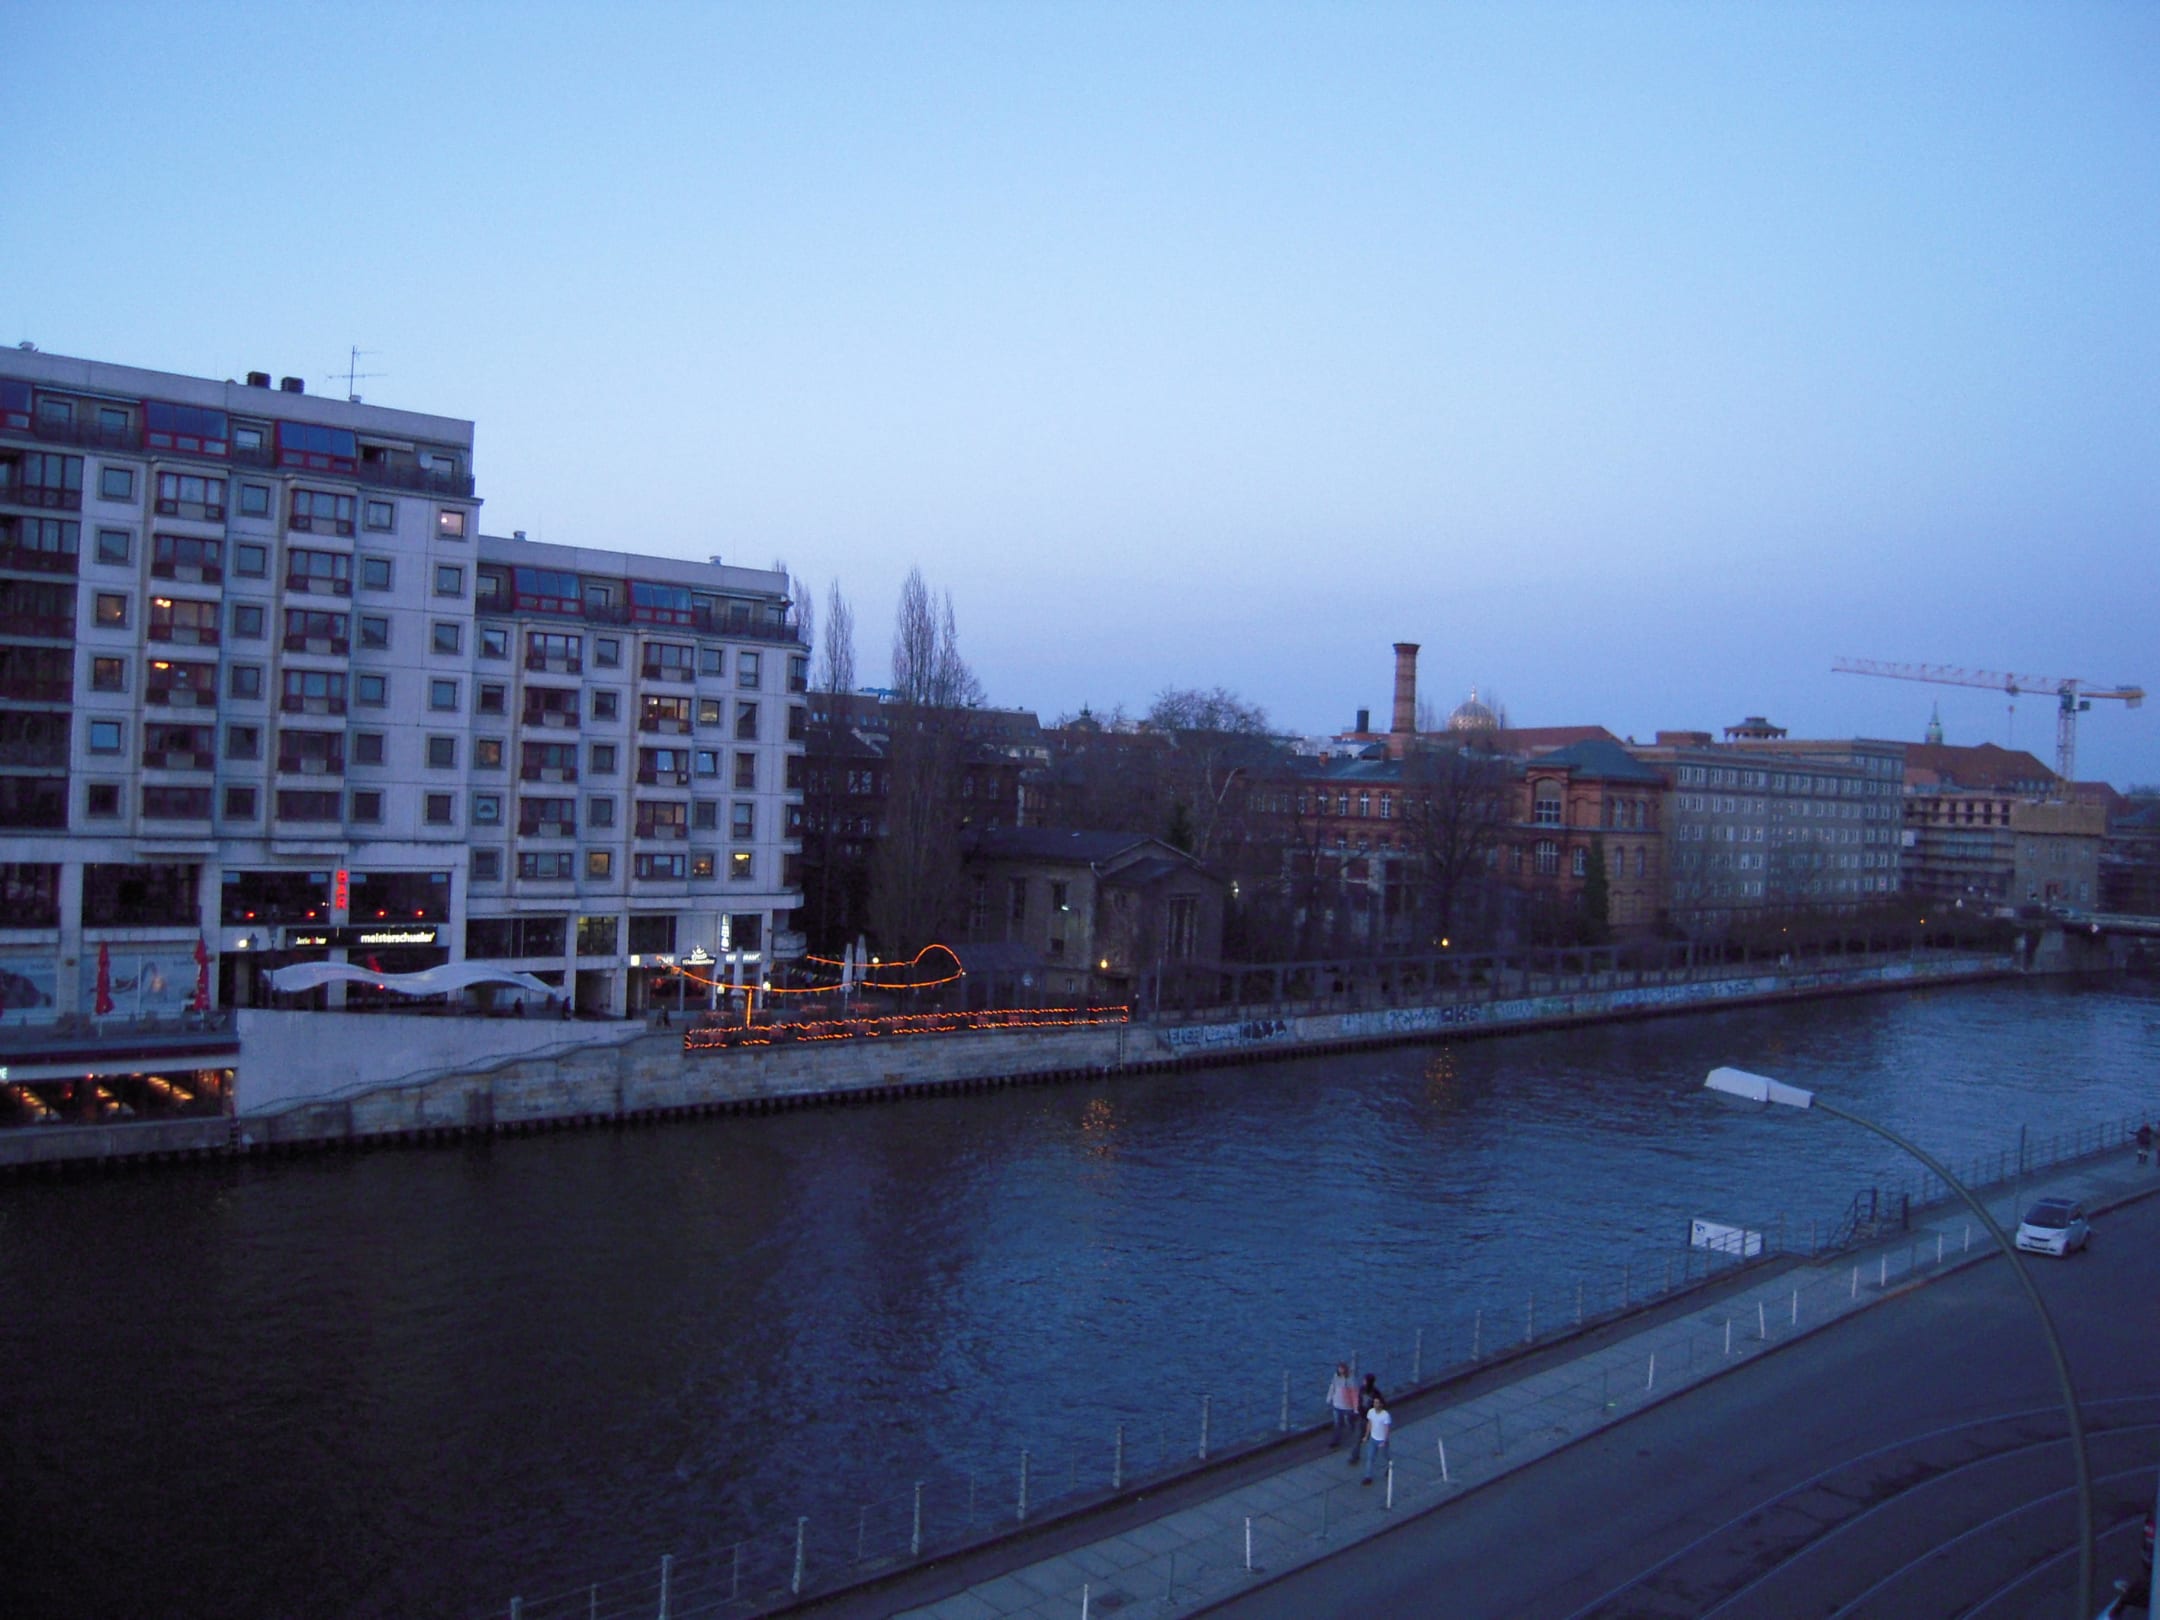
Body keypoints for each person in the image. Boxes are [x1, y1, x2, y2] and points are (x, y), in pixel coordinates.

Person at [1349, 1373, 1382, 1467]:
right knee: (1358, 1437)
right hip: (1363, 1417)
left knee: (1370, 1438)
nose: (1363, 1382)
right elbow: (1359, 1400)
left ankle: (1359, 1456)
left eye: (1365, 1380)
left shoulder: (1375, 1393)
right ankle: (1355, 1456)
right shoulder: (1363, 1389)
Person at [1325, 1363, 1358, 1449]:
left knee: (1349, 1422)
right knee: (1337, 1424)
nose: (1340, 1370)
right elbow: (1332, 1388)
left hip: (1347, 1406)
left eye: (1342, 1368)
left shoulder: (1351, 1379)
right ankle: (1336, 1441)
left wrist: (1355, 1408)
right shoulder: (1336, 1377)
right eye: (1339, 1368)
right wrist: (1329, 1398)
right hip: (1337, 1405)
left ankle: (1354, 1434)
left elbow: (1354, 1394)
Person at [1361, 1394, 1392, 1485]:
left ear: (1381, 1404)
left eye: (1377, 1403)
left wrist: (1384, 1441)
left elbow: (1387, 1429)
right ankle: (1368, 1477)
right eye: (1374, 1402)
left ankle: (1390, 1465)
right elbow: (1369, 1424)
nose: (1375, 1404)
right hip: (1373, 1439)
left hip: (1382, 1440)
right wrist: (1366, 1436)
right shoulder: (1371, 1412)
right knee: (1370, 1458)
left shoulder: (1385, 1415)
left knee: (1386, 1455)